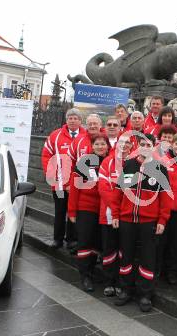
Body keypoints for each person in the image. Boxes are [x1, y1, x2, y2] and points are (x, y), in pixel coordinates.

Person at [111, 134, 171, 312]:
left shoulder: (160, 168)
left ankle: (145, 294)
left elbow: (165, 197)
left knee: (148, 258)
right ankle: (125, 290)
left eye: (149, 144)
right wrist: (115, 214)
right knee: (126, 255)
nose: (145, 146)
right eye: (142, 143)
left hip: (149, 221)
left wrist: (162, 219)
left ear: (154, 147)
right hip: (127, 219)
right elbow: (118, 192)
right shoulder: (129, 164)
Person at [68, 133, 110, 292]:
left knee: (97, 242)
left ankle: (92, 271)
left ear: (107, 146)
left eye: (103, 144)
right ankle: (85, 275)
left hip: (104, 209)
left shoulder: (111, 161)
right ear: (92, 146)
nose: (100, 146)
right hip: (86, 208)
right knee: (85, 241)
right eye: (97, 144)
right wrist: (72, 211)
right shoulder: (84, 162)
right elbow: (75, 188)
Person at [41, 108, 86, 249]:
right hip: (59, 184)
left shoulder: (86, 136)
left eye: (75, 118)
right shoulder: (55, 136)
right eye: (70, 118)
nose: (72, 120)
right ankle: (58, 239)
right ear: (66, 120)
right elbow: (46, 156)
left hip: (78, 184)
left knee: (74, 212)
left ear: (80, 121)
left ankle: (72, 239)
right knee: (60, 212)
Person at [98, 134, 133, 297]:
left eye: (127, 144)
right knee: (109, 250)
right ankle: (109, 282)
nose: (124, 146)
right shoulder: (107, 162)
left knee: (124, 251)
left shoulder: (135, 164)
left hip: (128, 217)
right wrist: (116, 209)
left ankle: (122, 282)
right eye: (121, 143)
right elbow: (104, 189)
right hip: (109, 215)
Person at [158, 133, 177, 284]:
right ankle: (158, 270)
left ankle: (172, 272)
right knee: (160, 242)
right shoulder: (163, 161)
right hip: (163, 210)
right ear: (171, 144)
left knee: (175, 243)